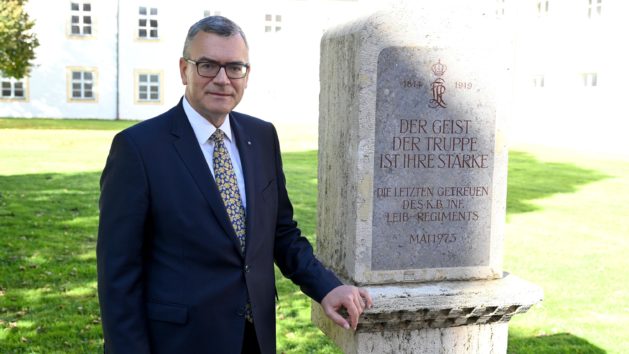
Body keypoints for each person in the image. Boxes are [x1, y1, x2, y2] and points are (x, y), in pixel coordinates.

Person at [97, 15, 372, 354]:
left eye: (234, 67)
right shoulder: (137, 149)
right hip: (179, 342)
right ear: (184, 70)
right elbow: (118, 276)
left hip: (254, 337)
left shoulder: (262, 136)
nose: (222, 79)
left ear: (247, 74)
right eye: (208, 65)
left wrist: (327, 287)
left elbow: (281, 233)